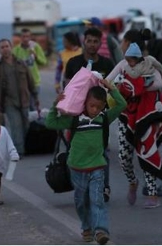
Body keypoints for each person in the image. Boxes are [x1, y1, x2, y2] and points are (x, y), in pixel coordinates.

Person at [45, 80, 126, 245]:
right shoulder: (74, 120)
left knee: (97, 199)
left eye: (99, 106)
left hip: (97, 166)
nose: (95, 109)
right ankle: (86, 227)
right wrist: (55, 105)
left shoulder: (104, 118)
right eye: (91, 105)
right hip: (77, 168)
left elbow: (121, 104)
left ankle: (100, 230)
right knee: (81, 201)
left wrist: (111, 89)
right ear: (84, 103)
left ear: (104, 106)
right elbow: (50, 123)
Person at [110, 39, 162, 209]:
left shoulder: (150, 65)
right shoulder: (122, 65)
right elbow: (109, 81)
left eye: (133, 58)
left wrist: (136, 86)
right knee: (123, 157)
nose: (131, 62)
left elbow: (158, 83)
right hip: (125, 116)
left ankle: (152, 194)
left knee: (147, 152)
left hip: (146, 115)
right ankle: (132, 182)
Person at [65, 27, 115, 202]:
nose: (92, 44)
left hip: (99, 115)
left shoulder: (107, 64)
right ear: (83, 42)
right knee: (76, 149)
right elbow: (67, 88)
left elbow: (112, 89)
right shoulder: (73, 63)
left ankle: (104, 187)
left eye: (96, 41)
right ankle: (82, 188)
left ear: (100, 43)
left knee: (102, 150)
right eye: (89, 41)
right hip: (77, 116)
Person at [0, 39, 39, 158]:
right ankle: (19, 151)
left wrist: (35, 96)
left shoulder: (21, 63)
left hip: (24, 100)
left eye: (7, 46)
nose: (5, 49)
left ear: (11, 47)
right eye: (2, 47)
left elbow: (31, 81)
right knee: (16, 125)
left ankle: (20, 146)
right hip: (9, 101)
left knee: (25, 124)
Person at [12, 28, 47, 110]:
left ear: (30, 37)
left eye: (27, 36)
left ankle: (35, 122)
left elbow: (44, 62)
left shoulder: (35, 47)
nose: (25, 39)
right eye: (23, 37)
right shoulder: (16, 50)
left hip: (34, 81)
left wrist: (36, 56)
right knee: (25, 105)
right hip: (22, 83)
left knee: (34, 106)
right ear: (20, 37)